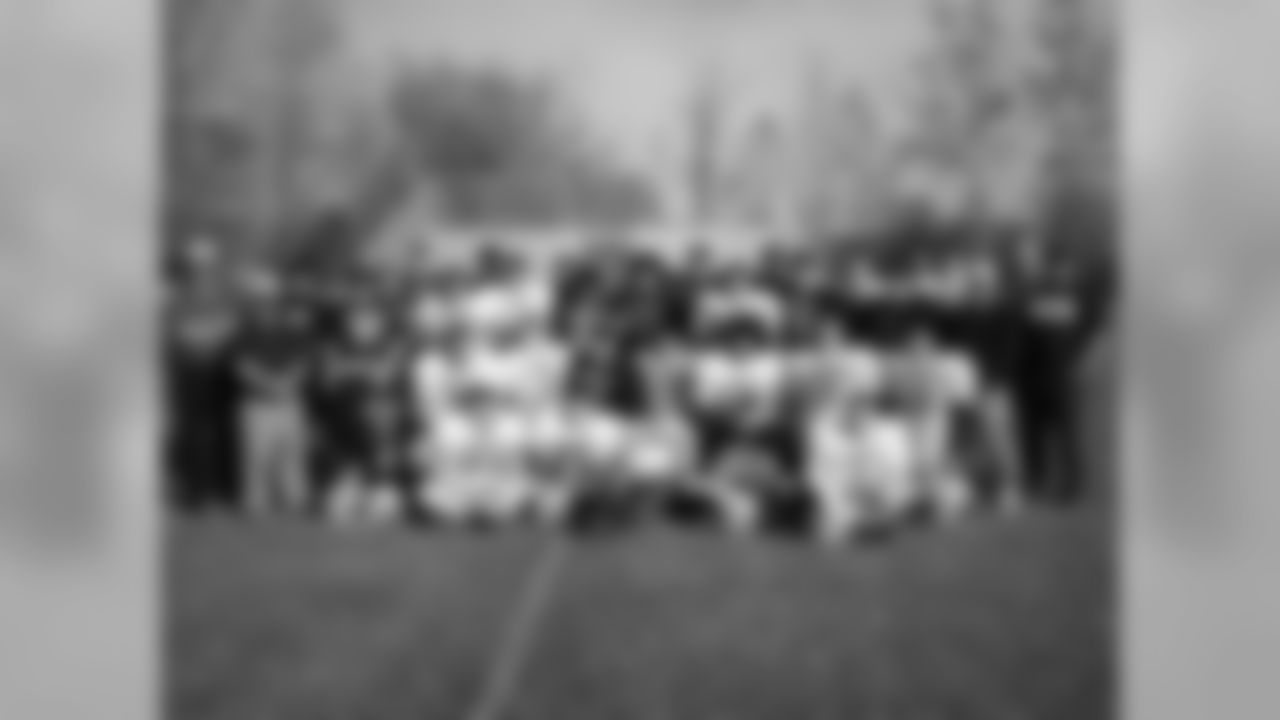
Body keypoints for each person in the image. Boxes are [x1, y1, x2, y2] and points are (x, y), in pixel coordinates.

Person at [164, 237, 241, 511]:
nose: (202, 271)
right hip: (190, 370)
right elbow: (175, 332)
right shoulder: (177, 297)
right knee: (193, 431)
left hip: (220, 371)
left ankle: (223, 487)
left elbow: (232, 327)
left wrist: (212, 339)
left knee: (223, 428)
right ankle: (195, 490)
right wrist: (202, 341)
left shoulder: (225, 295)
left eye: (206, 265)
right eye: (196, 266)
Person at [234, 270, 312, 517]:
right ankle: (255, 502)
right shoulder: (244, 334)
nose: (266, 306)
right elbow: (242, 366)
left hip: (289, 401)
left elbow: (302, 364)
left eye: (270, 301)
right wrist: (268, 384)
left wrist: (286, 383)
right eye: (260, 301)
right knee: (256, 457)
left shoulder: (293, 332)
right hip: (257, 403)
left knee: (291, 455)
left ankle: (295, 499)